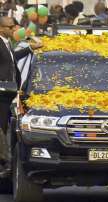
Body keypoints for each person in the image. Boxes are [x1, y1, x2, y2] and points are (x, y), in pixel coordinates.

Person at [0, 16, 42, 174]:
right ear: (1, 29)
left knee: (5, 128)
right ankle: (4, 163)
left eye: (14, 27)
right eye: (10, 27)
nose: (14, 30)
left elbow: (12, 59)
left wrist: (31, 48)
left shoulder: (7, 43)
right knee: (1, 129)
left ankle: (5, 162)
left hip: (9, 93)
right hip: (2, 93)